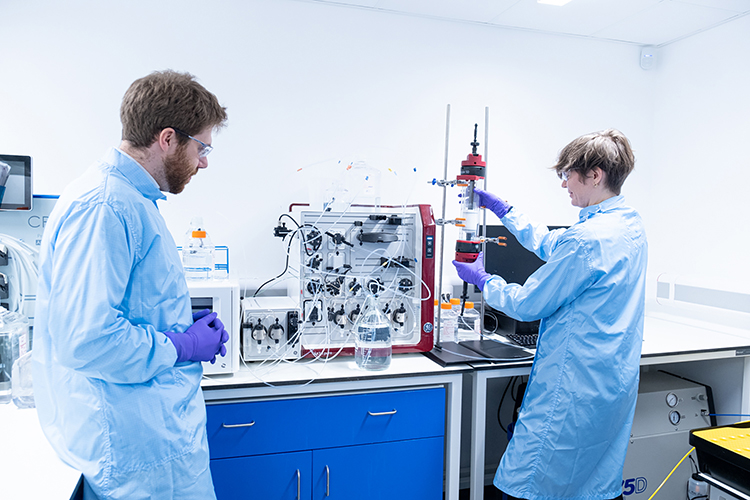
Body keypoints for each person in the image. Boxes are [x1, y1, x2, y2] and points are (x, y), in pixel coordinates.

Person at [32, 70, 229, 499]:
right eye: (202, 147)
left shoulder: (131, 199)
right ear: (168, 138)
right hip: (136, 459)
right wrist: (182, 345)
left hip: (153, 444)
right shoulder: (105, 206)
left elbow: (124, 306)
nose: (205, 161)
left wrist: (176, 320)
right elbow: (87, 340)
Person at [453, 129, 647, 500]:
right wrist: (507, 213)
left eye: (568, 175)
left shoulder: (588, 239)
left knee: (529, 481)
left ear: (595, 175)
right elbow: (556, 246)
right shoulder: (628, 224)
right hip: (610, 383)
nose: (563, 185)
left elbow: (528, 304)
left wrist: (483, 280)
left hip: (573, 385)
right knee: (593, 483)